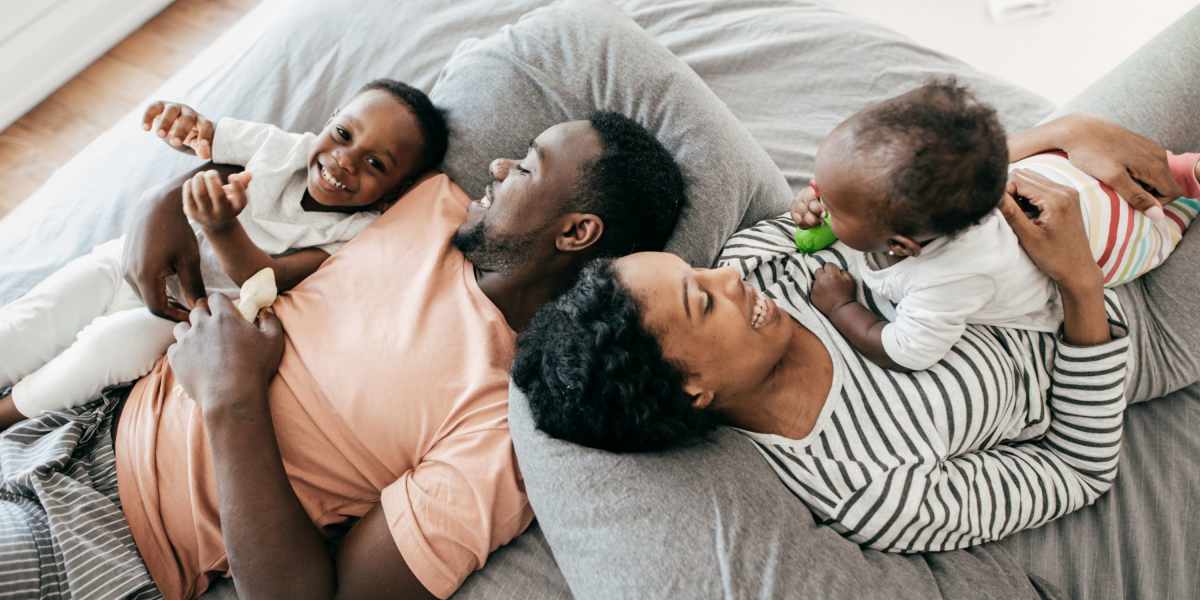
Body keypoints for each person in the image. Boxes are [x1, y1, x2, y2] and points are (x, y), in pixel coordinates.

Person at [0, 112, 686, 600]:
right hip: (79, 414)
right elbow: (291, 176)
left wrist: (232, 400)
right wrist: (167, 203)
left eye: (528, 165)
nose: (500, 165)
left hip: (106, 539)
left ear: (576, 231)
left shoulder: (502, 427)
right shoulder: (432, 204)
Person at [512, 114, 1200, 552]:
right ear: (691, 386)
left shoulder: (759, 262)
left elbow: (892, 197)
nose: (728, 278)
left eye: (699, 271)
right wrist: (1079, 285)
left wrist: (1065, 133)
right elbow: (1078, 470)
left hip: (1037, 189)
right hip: (1135, 315)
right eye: (703, 304)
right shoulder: (870, 490)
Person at [0, 78, 449, 428]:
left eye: (376, 164)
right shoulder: (280, 148)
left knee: (108, 348)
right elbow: (204, 136)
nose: (344, 160)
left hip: (179, 318)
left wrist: (222, 227)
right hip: (125, 265)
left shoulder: (354, 234)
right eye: (343, 133)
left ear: (399, 190)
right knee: (36, 319)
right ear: (329, 120)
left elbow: (266, 278)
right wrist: (180, 122)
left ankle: (11, 412)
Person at [788, 78, 1200, 371]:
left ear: (902, 245)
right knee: (1073, 172)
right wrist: (829, 201)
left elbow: (904, 351)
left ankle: (1179, 207)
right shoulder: (963, 182)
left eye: (832, 204)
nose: (817, 196)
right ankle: (1179, 173)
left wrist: (841, 307)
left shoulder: (947, 279)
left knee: (1162, 226)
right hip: (1059, 172)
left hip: (1114, 243)